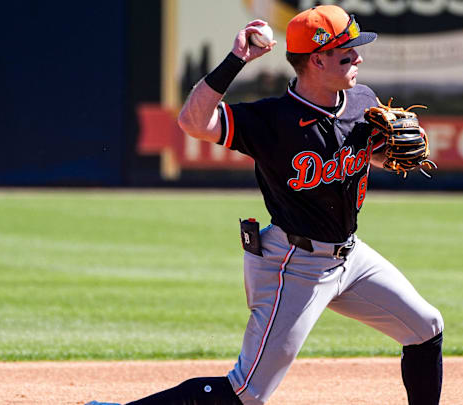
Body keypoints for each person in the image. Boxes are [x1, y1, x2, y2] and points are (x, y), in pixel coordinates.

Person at [127, 5, 443, 405]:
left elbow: (363, 155)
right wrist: (237, 59)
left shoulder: (362, 99)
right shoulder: (272, 120)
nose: (359, 58)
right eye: (347, 54)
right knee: (247, 393)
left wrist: (387, 153)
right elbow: (193, 122)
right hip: (294, 264)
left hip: (351, 256)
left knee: (426, 327)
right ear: (316, 59)